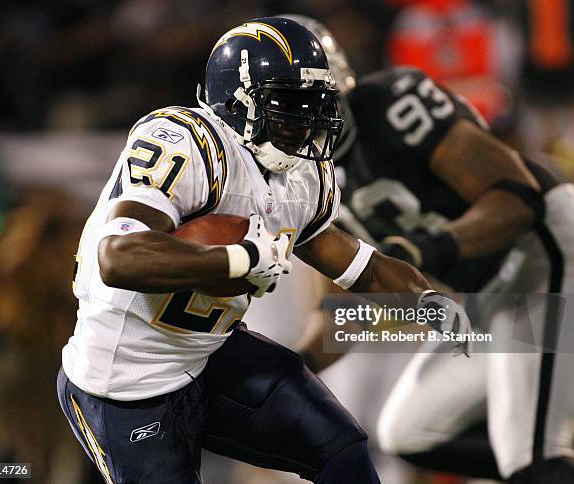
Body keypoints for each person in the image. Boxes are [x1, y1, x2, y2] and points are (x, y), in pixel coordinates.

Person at [56, 17, 469, 484]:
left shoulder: (301, 177)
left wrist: (430, 302)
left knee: (342, 454)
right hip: (126, 380)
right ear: (238, 100)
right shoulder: (190, 144)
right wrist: (238, 260)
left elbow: (362, 267)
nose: (309, 121)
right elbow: (119, 257)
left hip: (210, 353)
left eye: (317, 105)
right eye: (292, 104)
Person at [286, 15, 574, 484]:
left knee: (529, 447)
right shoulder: (301, 186)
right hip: (491, 291)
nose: (300, 126)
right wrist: (287, 370)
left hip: (541, 248)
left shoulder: (394, 103)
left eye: (306, 105)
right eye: (281, 112)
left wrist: (425, 251)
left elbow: (519, 197)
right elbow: (343, 312)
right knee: (411, 431)